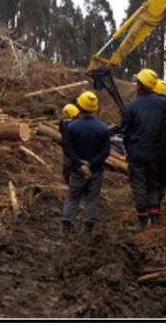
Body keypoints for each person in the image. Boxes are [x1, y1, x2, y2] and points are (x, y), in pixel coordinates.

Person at [122, 69, 166, 231]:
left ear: (140, 85)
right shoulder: (163, 103)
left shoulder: (132, 106)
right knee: (152, 184)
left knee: (139, 185)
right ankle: (155, 219)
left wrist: (128, 150)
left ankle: (142, 221)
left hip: (137, 153)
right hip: (155, 154)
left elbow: (125, 132)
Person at [60, 91, 110, 235]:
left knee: (73, 197)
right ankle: (88, 228)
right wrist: (92, 163)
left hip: (77, 170)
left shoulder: (72, 127)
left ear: (80, 106)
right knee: (92, 199)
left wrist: (79, 163)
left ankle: (66, 226)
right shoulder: (103, 128)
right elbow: (105, 151)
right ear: (95, 108)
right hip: (96, 170)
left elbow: (67, 149)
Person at [59, 103, 80, 184]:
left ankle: (68, 180)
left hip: (67, 147)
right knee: (71, 165)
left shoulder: (63, 122)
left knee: (68, 164)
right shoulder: (73, 124)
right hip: (73, 147)